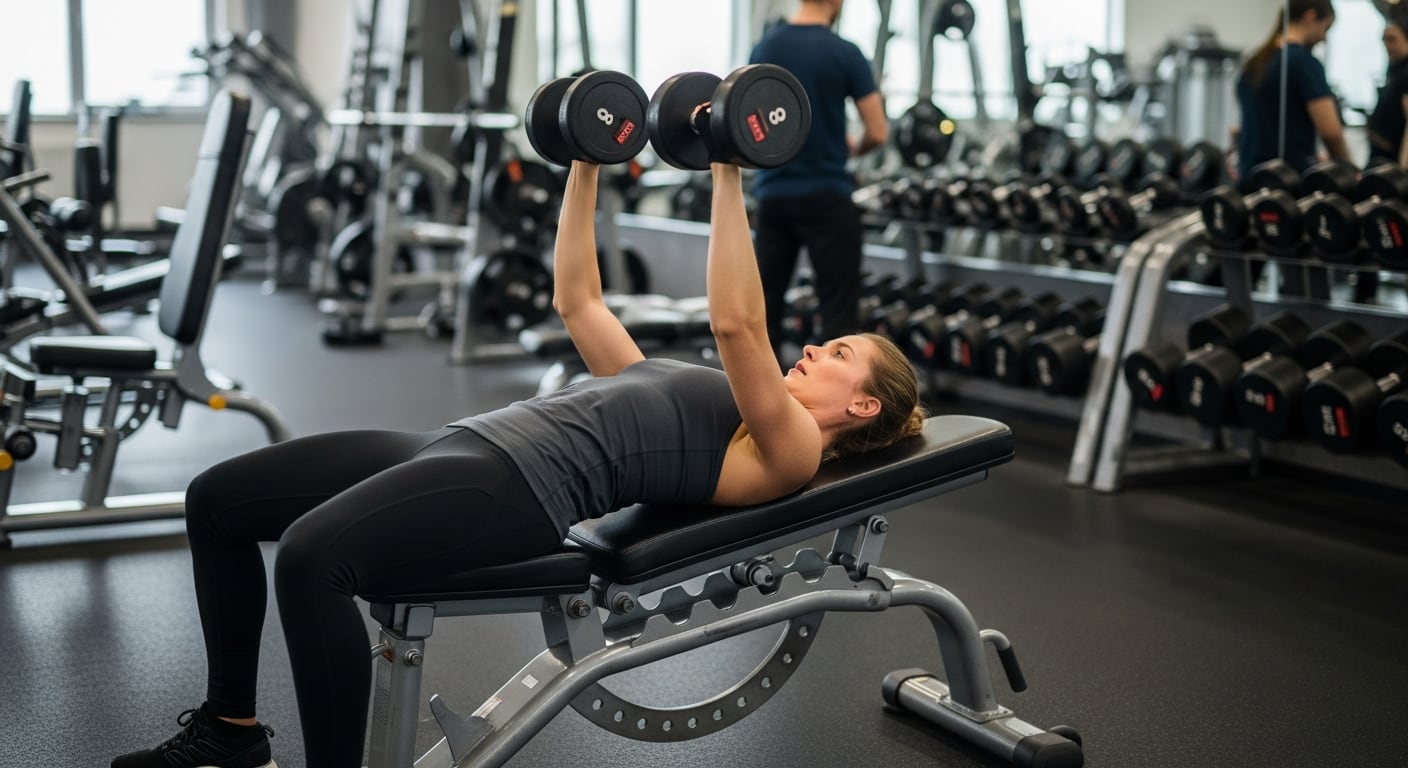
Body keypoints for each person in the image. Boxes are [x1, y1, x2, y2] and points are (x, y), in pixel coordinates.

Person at [111, 154, 925, 767]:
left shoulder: (787, 449)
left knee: (311, 558)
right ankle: (230, 728)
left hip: (518, 487)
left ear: (862, 407)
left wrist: (727, 168)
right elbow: (581, 302)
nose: (815, 346)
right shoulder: (740, 407)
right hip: (467, 441)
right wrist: (583, 162)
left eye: (839, 351)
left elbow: (739, 326)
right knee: (217, 500)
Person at [748, 0, 889, 368]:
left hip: (774, 196)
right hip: (827, 196)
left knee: (764, 313)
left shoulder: (765, 48)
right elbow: (877, 130)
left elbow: (747, 123)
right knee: (839, 317)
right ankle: (834, 415)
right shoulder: (844, 52)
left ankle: (762, 412)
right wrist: (854, 148)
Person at [1234, 0, 1351, 183]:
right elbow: (1331, 132)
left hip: (1249, 176)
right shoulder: (1303, 63)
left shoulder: (1254, 62)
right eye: (1325, 28)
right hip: (1287, 181)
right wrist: (1347, 169)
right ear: (1311, 17)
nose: (1324, 38)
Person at [1367, 15, 1408, 167]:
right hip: (1380, 157)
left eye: (1392, 39)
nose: (1386, 45)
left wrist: (1403, 170)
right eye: (1384, 39)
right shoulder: (1393, 69)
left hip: (1393, 163)